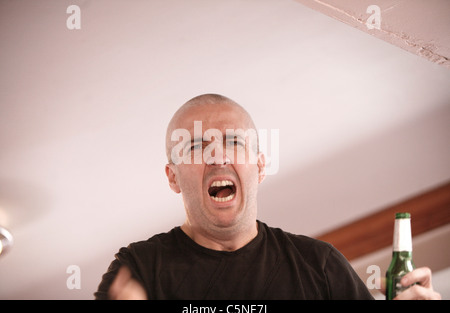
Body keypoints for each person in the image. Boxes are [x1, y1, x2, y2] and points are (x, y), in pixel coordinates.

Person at [94, 94, 441, 300]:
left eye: (234, 141)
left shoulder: (318, 265)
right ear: (173, 177)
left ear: (259, 168)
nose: (217, 156)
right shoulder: (138, 270)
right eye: (196, 145)